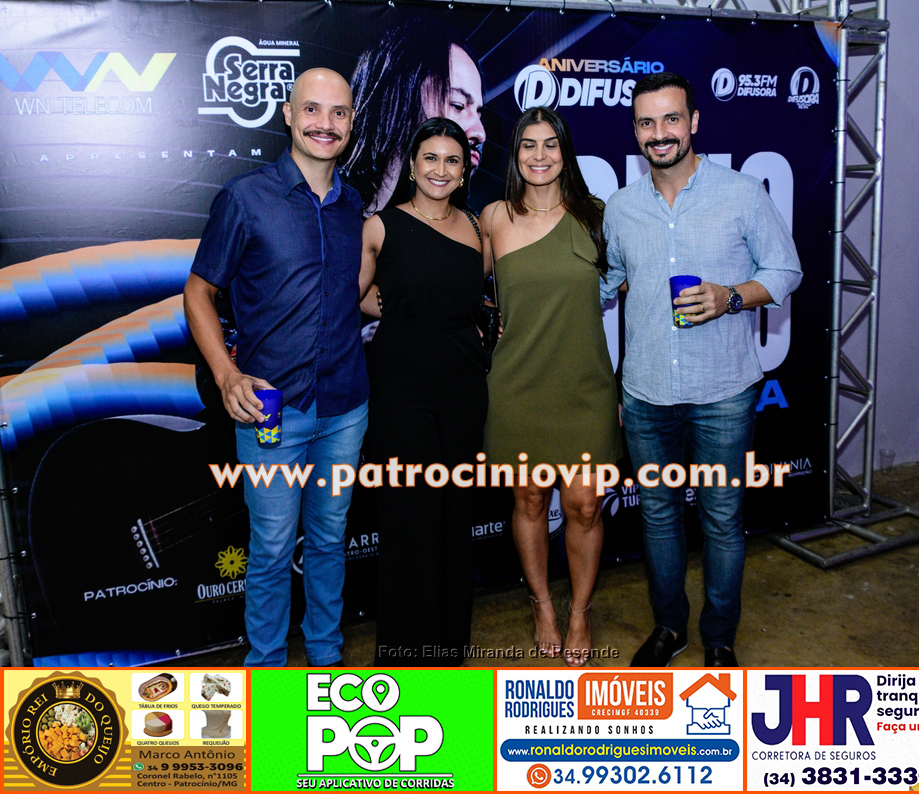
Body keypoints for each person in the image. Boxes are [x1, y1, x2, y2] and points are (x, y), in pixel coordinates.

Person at [601, 73, 802, 668]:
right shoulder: (621, 208)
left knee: (721, 518)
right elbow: (606, 282)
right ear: (635, 131)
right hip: (646, 393)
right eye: (646, 122)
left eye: (671, 119)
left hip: (723, 391)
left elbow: (786, 271)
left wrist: (730, 296)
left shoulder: (742, 193)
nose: (659, 133)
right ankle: (670, 628)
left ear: (693, 122)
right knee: (659, 516)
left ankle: (719, 637)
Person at [183, 69, 368, 667]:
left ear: (351, 122)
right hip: (270, 411)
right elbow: (198, 292)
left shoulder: (354, 205)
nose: (325, 123)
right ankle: (266, 671)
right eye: (312, 109)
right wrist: (227, 375)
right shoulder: (245, 198)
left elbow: (348, 294)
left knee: (330, 540)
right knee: (270, 548)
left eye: (338, 112)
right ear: (288, 114)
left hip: (346, 407)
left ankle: (326, 662)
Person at [482, 107, 621, 667]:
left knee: (584, 506)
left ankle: (580, 610)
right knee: (530, 499)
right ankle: (542, 604)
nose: (539, 156)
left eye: (550, 145)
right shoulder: (494, 217)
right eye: (528, 145)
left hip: (586, 385)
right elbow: (457, 287)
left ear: (566, 152)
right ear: (515, 154)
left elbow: (632, 289)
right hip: (518, 386)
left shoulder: (597, 216)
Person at [359, 117, 487, 666]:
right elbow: (353, 297)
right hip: (401, 387)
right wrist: (402, 313)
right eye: (430, 158)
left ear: (464, 170)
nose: (440, 169)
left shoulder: (477, 228)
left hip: (464, 386)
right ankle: (405, 660)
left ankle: (449, 651)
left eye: (452, 160)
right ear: (412, 165)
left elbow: (474, 298)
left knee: (456, 516)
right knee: (410, 519)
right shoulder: (380, 226)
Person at [344, 22, 487, 217]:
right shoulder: (336, 218)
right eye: (458, 105)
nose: (480, 133)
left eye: (479, 113)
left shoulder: (472, 227)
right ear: (397, 100)